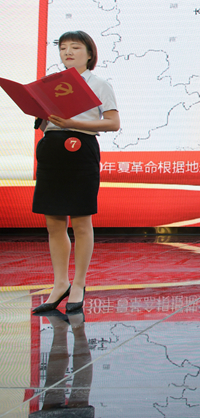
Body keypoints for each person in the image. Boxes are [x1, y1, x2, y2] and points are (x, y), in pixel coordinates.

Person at [31, 31, 120, 314]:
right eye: (63, 48)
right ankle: (60, 283)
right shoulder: (51, 84)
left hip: (80, 150)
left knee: (81, 221)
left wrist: (74, 123)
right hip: (52, 151)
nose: (67, 52)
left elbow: (113, 123)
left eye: (75, 47)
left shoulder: (99, 84)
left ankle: (79, 284)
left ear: (89, 54)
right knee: (54, 222)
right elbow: (44, 124)